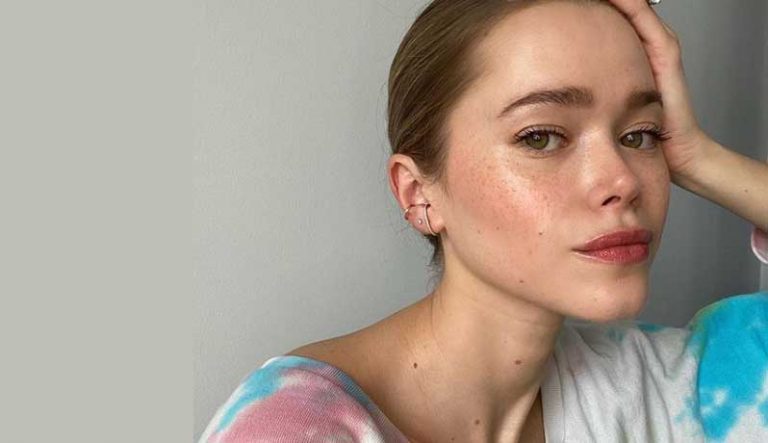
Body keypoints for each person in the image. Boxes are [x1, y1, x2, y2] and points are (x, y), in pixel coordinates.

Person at [199, 0, 768, 441]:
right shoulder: (297, 427)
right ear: (419, 194)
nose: (621, 179)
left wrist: (701, 159)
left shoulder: (675, 390)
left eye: (639, 135)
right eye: (541, 137)